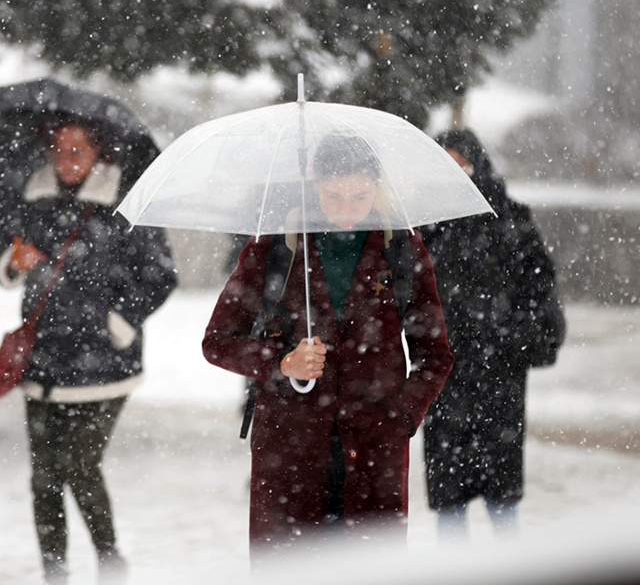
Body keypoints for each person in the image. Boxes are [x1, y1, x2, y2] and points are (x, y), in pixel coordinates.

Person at [202, 133, 454, 558]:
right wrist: (281, 362)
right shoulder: (275, 245)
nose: (346, 209)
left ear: (377, 187)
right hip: (290, 449)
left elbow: (435, 354)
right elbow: (217, 341)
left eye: (359, 195)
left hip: (374, 449)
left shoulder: (401, 247)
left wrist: (402, 415)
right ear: (315, 184)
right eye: (334, 195)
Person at [0, 120, 177, 584]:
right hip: (44, 360)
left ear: (99, 153)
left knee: (80, 466)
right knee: (43, 478)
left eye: (79, 149)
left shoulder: (126, 202)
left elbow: (161, 274)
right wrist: (12, 261)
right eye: (59, 149)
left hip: (105, 363)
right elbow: (1, 253)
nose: (68, 159)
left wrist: (119, 321)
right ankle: (54, 571)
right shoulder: (33, 200)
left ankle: (110, 562)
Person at [420, 129, 563, 540]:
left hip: (499, 376)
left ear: (477, 163)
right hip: (445, 377)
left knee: (502, 501)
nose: (455, 173)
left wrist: (506, 335)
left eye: (460, 162)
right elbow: (406, 294)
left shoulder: (512, 220)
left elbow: (542, 294)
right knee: (448, 501)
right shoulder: (426, 227)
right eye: (443, 164)